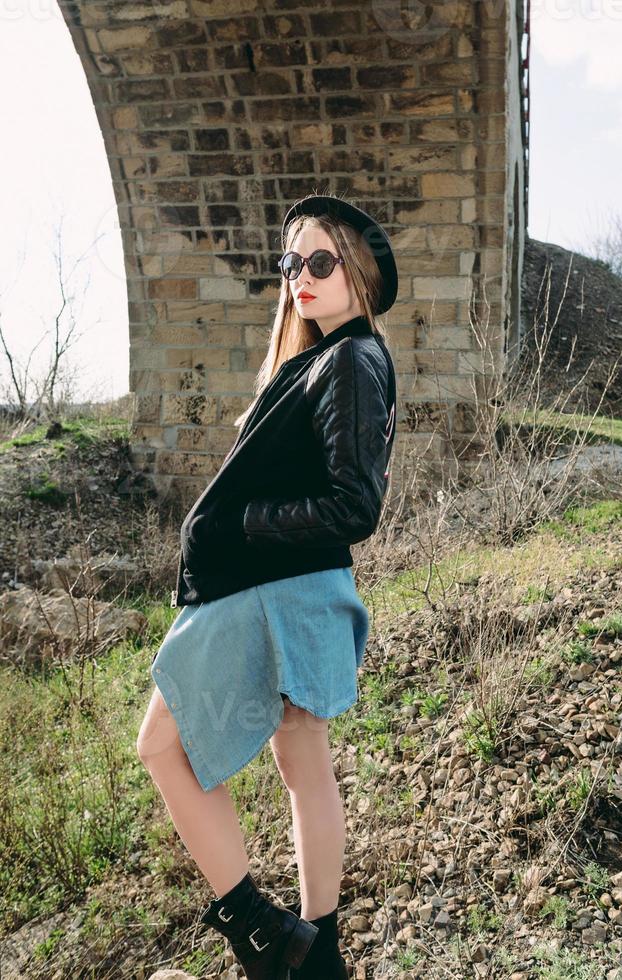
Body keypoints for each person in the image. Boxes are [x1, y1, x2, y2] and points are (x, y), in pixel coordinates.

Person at [136, 192, 398, 979]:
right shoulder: (317, 360)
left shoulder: (352, 358)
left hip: (272, 591)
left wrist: (243, 524)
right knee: (302, 766)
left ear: (357, 271)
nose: (303, 278)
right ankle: (321, 954)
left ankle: (259, 930)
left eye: (321, 261)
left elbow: (356, 505)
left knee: (161, 746)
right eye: (292, 263)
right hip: (292, 591)